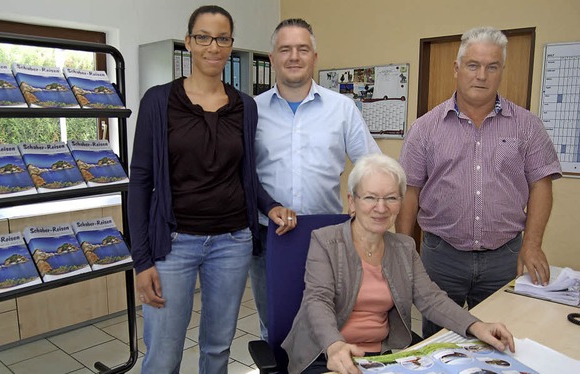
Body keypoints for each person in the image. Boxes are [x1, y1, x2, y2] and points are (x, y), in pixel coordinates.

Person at [128, 5, 296, 373]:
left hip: (232, 243)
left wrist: (270, 206)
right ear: (188, 42)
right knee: (163, 353)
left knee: (218, 348)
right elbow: (140, 182)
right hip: (172, 245)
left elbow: (246, 176)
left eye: (222, 38)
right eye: (203, 37)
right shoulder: (158, 101)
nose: (212, 46)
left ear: (231, 45)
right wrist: (142, 261)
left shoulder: (245, 107)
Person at [396, 26, 562, 338]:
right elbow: (410, 191)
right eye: (473, 65)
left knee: (500, 339)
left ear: (501, 71)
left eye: (492, 66)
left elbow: (542, 184)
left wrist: (533, 244)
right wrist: (403, 251)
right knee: (439, 340)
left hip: (505, 258)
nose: (481, 75)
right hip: (441, 257)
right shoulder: (424, 128)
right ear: (457, 69)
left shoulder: (528, 126)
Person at [282, 154, 516, 374]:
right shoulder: (325, 241)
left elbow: (431, 299)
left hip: (382, 353)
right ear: (352, 201)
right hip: (326, 352)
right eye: (371, 197)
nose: (381, 208)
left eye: (391, 198)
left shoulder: (404, 247)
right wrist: (334, 345)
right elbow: (317, 299)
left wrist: (476, 326)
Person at [252, 18, 381, 340]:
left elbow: (371, 166)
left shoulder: (342, 108)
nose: (294, 57)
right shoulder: (252, 111)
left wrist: (362, 206)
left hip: (328, 234)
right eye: (285, 49)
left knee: (330, 323)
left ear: (314, 57)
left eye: (302, 49)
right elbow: (242, 173)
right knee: (275, 325)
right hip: (269, 236)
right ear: (272, 58)